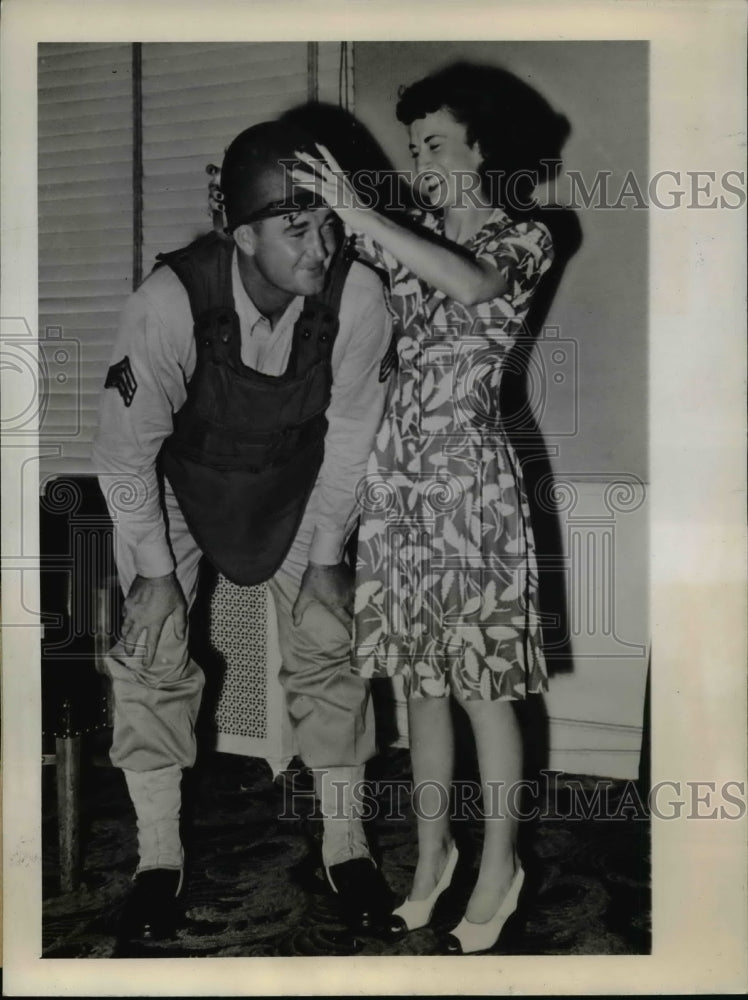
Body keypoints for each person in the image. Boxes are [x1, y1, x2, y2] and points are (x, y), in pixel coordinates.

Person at [93, 120, 394, 942]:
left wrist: (330, 552)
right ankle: (159, 858)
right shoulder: (168, 301)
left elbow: (354, 433)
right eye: (297, 227)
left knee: (328, 645)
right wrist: (153, 572)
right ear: (243, 230)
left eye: (330, 222)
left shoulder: (360, 298)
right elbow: (124, 453)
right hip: (182, 488)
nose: (321, 245)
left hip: (298, 487)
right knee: (152, 653)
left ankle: (346, 845)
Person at [291, 62, 568, 954]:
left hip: (472, 493)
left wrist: (368, 216)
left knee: (487, 692)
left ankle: (499, 869)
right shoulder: (404, 236)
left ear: (485, 148)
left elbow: (474, 286)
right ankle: (431, 860)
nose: (422, 161)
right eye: (414, 149)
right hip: (400, 489)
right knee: (420, 689)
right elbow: (330, 247)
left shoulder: (529, 238)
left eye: (437, 144)